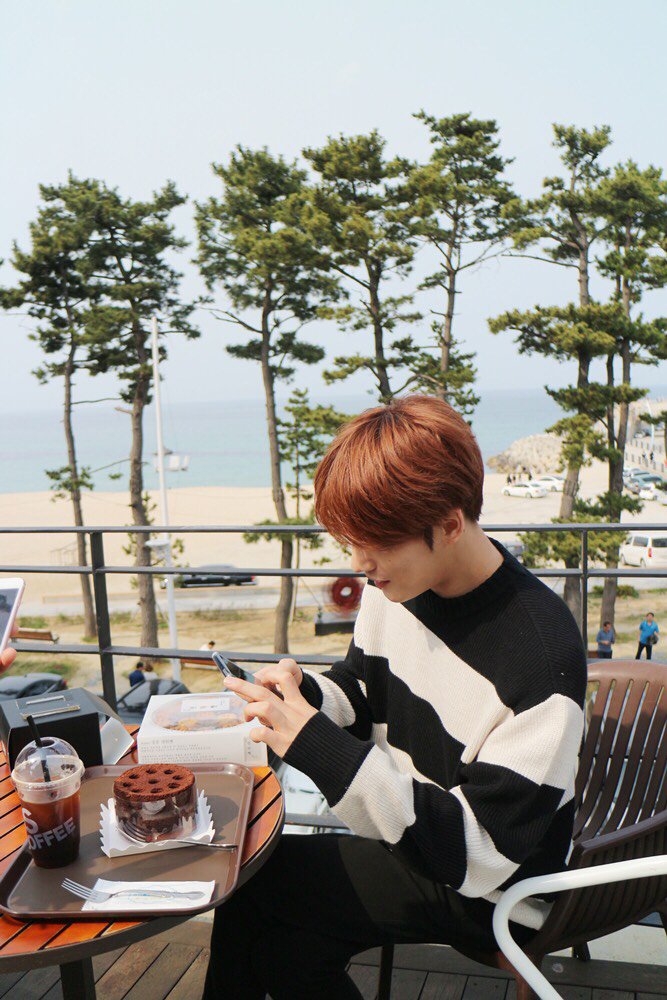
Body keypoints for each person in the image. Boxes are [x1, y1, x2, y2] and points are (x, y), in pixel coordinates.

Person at [203, 395, 587, 1000]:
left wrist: (316, 746)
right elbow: (362, 691)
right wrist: (305, 695)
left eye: (376, 543)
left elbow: (477, 853)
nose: (360, 564)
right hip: (413, 839)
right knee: (282, 944)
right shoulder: (398, 585)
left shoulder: (541, 656)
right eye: (351, 541)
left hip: (498, 889)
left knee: (256, 887)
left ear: (451, 523)